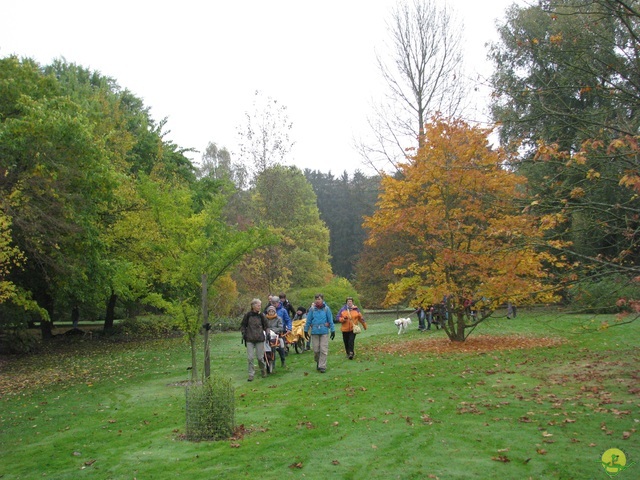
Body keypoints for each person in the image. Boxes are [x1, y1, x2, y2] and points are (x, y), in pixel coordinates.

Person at [304, 293, 335, 373]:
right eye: (316, 299)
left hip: (324, 331)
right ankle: (318, 361)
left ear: (322, 300)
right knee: (316, 350)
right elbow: (308, 320)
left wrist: (332, 330)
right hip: (315, 332)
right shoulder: (312, 309)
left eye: (319, 299)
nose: (317, 301)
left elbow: (330, 320)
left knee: (323, 349)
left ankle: (322, 366)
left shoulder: (326, 309)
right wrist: (306, 330)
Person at [240, 298, 270, 381]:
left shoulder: (262, 316)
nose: (260, 307)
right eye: (258, 305)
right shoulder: (248, 315)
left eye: (260, 305)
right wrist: (243, 333)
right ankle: (251, 374)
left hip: (260, 339)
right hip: (249, 339)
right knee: (250, 358)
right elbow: (243, 325)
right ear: (253, 306)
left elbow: (266, 326)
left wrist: (268, 333)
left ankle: (263, 370)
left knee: (260, 358)